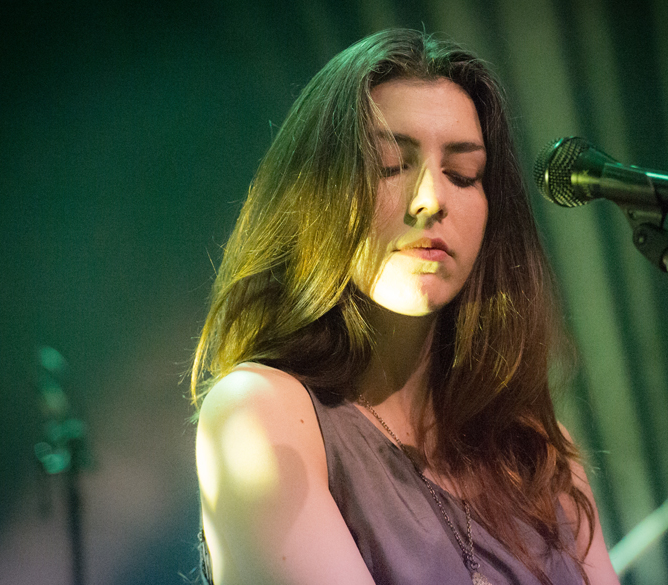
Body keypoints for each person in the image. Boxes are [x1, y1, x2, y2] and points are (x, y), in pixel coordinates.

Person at [190, 28, 619, 585]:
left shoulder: (536, 452)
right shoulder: (259, 413)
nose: (431, 199)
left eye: (463, 175)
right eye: (391, 163)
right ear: (318, 191)